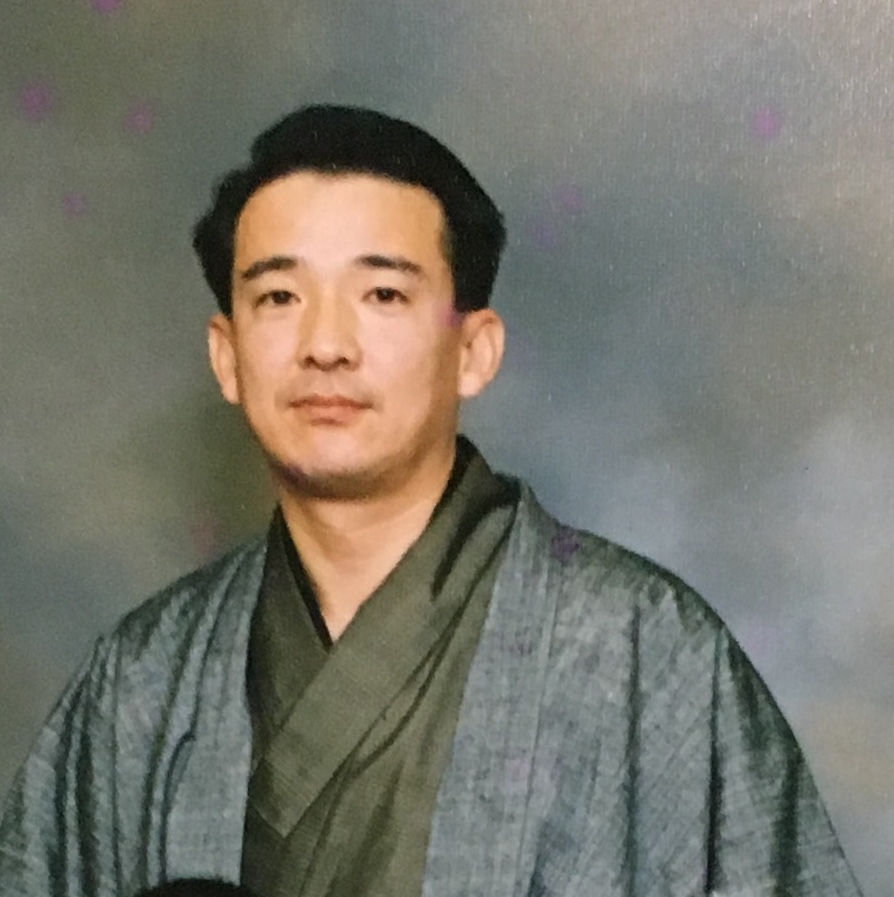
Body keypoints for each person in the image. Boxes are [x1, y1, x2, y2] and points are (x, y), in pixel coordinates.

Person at [0, 104, 862, 897]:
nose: (326, 345)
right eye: (279, 296)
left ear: (474, 351)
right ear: (227, 356)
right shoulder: (143, 678)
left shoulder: (647, 655)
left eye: (382, 294)